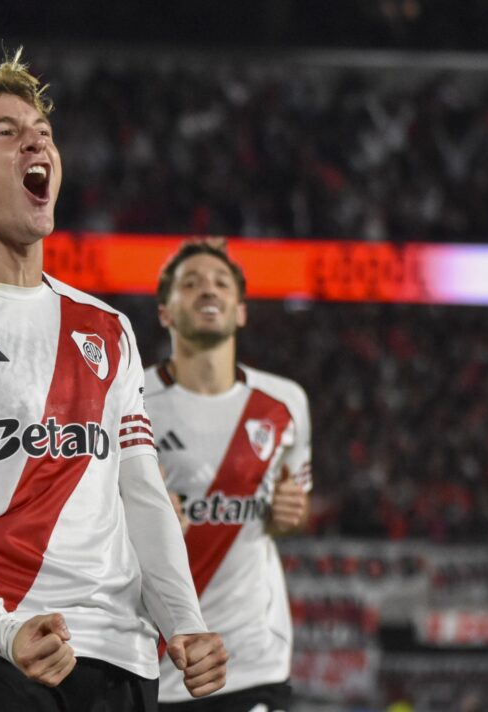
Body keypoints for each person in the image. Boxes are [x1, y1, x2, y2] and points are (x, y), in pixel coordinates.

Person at [0, 51, 227, 712]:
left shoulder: (107, 326)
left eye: (43, 133)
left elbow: (142, 496)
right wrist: (3, 629)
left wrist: (186, 624)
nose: (36, 141)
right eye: (5, 132)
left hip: (121, 652)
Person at [145, 240, 312, 712]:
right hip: (158, 656)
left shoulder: (285, 402)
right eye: (191, 283)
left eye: (220, 283)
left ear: (240, 311)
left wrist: (292, 514)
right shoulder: (127, 398)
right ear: (165, 312)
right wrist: (140, 522)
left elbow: (287, 517)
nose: (207, 290)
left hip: (252, 659)